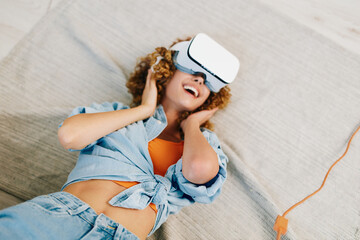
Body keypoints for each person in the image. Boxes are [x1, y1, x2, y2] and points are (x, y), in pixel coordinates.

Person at [0, 34, 236, 240]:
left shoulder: (204, 143)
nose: (199, 80)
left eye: (207, 82)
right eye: (194, 71)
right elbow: (70, 135)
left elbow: (198, 170)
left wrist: (192, 124)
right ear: (166, 70)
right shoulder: (117, 115)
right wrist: (143, 110)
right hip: (60, 217)